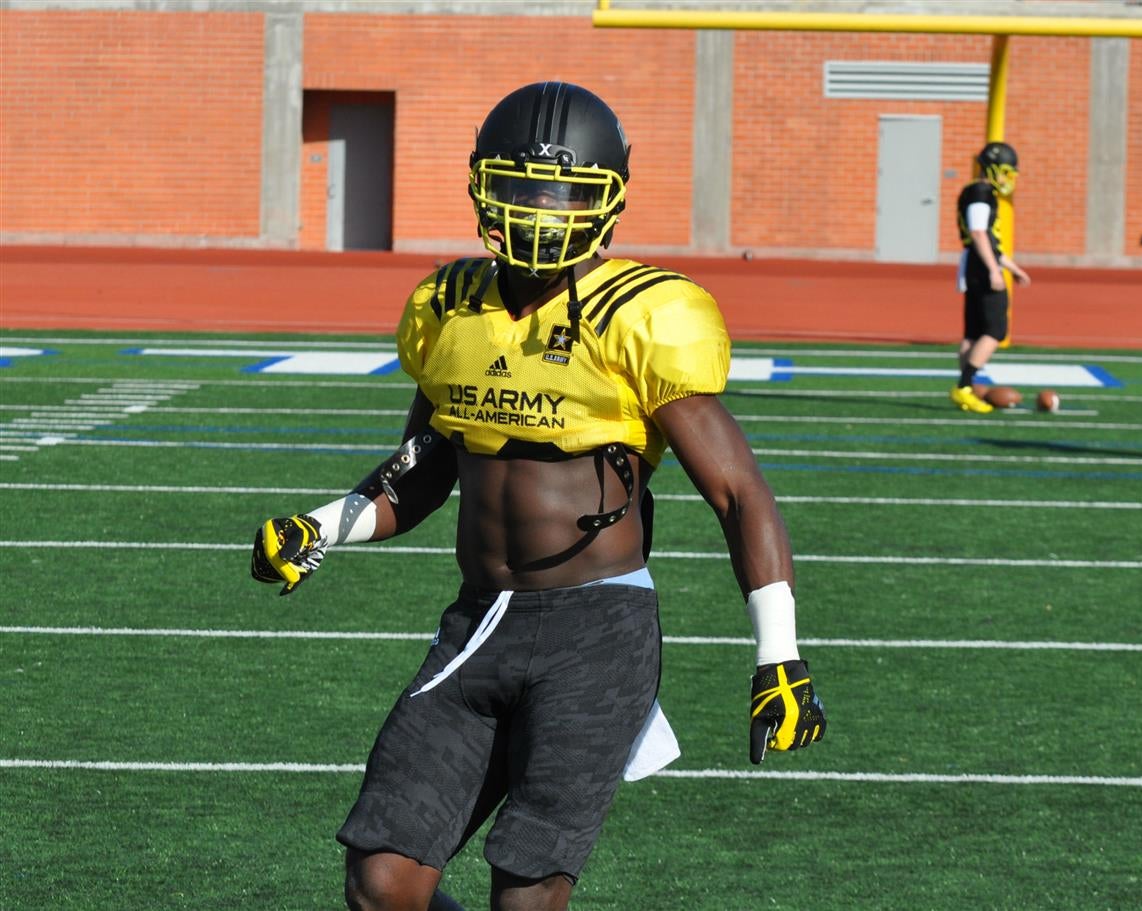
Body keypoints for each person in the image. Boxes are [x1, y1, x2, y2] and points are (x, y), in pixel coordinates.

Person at [250, 81, 825, 911]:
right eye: (520, 188)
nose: (539, 211)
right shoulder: (449, 308)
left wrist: (780, 652)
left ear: (609, 201)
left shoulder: (640, 316)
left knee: (527, 892)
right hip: (481, 616)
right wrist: (321, 528)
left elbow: (738, 492)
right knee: (382, 878)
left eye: (564, 193)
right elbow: (420, 473)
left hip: (597, 629)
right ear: (484, 186)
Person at [951, 141, 1032, 413]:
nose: (1008, 178)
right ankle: (964, 386)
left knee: (973, 333)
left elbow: (989, 241)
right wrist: (994, 270)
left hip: (975, 262)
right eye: (1006, 171)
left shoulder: (977, 192)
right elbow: (978, 233)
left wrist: (1013, 268)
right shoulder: (981, 192)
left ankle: (969, 388)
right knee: (995, 331)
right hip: (980, 264)